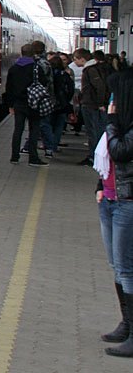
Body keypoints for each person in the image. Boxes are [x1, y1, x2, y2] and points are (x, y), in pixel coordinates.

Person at [101, 65, 133, 357]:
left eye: (114, 95)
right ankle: (126, 324)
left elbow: (120, 152)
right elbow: (105, 159)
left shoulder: (124, 126)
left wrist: (111, 123)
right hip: (111, 199)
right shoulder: (122, 123)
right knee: (118, 266)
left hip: (127, 202)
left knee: (127, 268)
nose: (110, 101)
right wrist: (99, 187)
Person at [5, 43, 48, 167]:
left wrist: (10, 105)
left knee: (18, 129)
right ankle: (33, 158)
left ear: (21, 53)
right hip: (34, 103)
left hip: (18, 103)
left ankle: (14, 157)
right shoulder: (36, 68)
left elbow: (9, 88)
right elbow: (44, 83)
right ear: (33, 54)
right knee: (34, 130)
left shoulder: (13, 68)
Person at [78, 48, 112, 166]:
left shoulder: (90, 70)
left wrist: (100, 103)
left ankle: (94, 157)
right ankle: (97, 157)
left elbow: (100, 86)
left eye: (75, 59)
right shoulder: (101, 68)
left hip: (92, 105)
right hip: (96, 104)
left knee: (94, 131)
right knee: (98, 130)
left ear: (82, 59)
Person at [47, 55, 74, 154]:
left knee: (48, 125)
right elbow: (71, 90)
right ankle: (54, 146)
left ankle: (48, 147)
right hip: (62, 105)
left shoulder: (47, 75)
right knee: (59, 127)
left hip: (49, 104)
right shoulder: (65, 75)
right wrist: (66, 100)